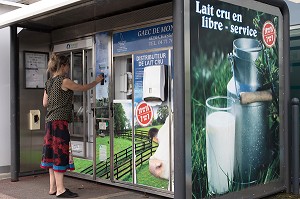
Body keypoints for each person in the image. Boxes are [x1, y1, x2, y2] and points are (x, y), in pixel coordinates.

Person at [40, 53, 103, 198]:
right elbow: (82, 88)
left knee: (51, 154)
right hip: (60, 123)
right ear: (62, 66)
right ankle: (61, 190)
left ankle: (53, 188)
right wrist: (97, 81)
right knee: (60, 154)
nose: (68, 67)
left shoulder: (49, 82)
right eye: (67, 65)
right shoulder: (64, 80)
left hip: (49, 123)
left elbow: (44, 103)